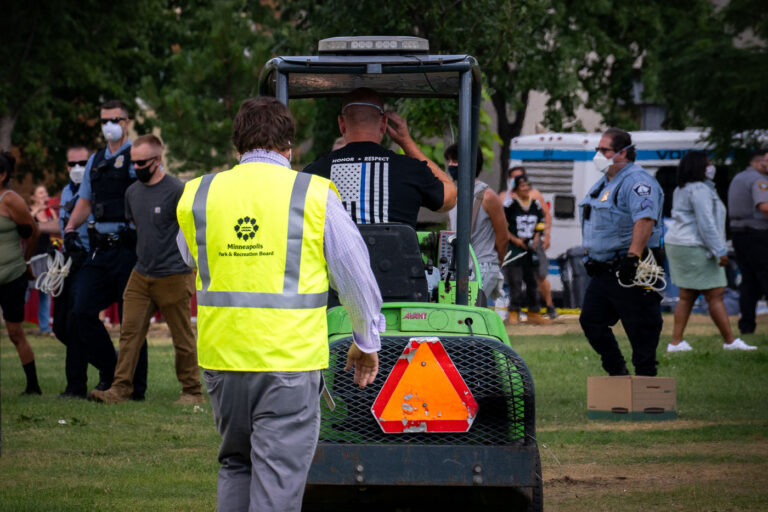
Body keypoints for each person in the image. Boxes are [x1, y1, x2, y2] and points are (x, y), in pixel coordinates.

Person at [176, 97, 383, 512]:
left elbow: (189, 255)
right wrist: (366, 340)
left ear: (237, 145)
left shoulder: (199, 193)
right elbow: (355, 275)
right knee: (279, 477)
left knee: (236, 463)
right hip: (288, 362)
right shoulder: (313, 194)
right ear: (288, 146)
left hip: (222, 361)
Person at [91, 135, 203, 404]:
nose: (137, 167)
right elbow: (140, 229)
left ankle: (192, 391)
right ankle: (120, 389)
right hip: (141, 274)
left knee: (182, 338)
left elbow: (191, 230)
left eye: (142, 162)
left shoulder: (178, 189)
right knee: (129, 335)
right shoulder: (132, 192)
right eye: (134, 162)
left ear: (158, 160)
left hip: (174, 275)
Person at [64, 100, 148, 400]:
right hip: (100, 250)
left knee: (131, 320)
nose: (107, 126)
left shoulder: (139, 157)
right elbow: (84, 201)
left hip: (129, 249)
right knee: (80, 312)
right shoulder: (96, 161)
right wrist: (71, 229)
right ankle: (113, 370)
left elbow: (151, 195)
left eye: (113, 120)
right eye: (103, 121)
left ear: (126, 122)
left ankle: (135, 388)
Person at [303, 87, 456, 228]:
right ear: (384, 124)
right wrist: (406, 142)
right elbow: (450, 197)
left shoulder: (312, 175)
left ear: (341, 124)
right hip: (398, 258)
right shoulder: (411, 169)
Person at [578, 128, 664, 376]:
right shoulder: (604, 182)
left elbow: (645, 220)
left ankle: (646, 385)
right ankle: (618, 374)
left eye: (604, 150)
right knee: (591, 320)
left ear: (623, 153)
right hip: (603, 269)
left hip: (630, 268)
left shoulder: (637, 182)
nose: (599, 154)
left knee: (641, 328)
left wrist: (632, 258)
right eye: (598, 149)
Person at [666, 151, 756, 351]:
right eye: (708, 163)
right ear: (699, 166)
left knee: (686, 294)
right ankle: (730, 341)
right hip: (695, 246)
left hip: (679, 244)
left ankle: (676, 341)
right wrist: (719, 250)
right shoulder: (700, 190)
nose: (711, 166)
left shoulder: (683, 189)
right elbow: (706, 223)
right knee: (715, 293)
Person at [444, 143, 507, 307]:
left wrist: (496, 264)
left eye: (455, 160)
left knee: (470, 314)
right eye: (449, 160)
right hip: (459, 267)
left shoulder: (487, 196)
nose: (451, 165)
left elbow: (503, 237)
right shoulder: (453, 194)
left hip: (483, 267)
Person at [0, 152, 42, 394]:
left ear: (3, 175)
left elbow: (33, 232)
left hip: (12, 275)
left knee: (15, 332)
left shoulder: (10, 200)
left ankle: (33, 386)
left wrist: (27, 261)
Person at [501, 166, 557, 319]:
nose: (525, 187)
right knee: (515, 279)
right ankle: (514, 310)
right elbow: (501, 224)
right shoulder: (507, 201)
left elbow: (544, 217)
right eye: (518, 181)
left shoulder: (535, 198)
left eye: (526, 182)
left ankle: (544, 306)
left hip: (533, 246)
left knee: (538, 276)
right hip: (516, 247)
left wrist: (544, 236)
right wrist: (515, 240)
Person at [727, 148, 768, 336]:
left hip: (739, 235)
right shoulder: (759, 180)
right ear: (759, 162)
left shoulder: (739, 177)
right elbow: (764, 206)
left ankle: (747, 326)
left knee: (748, 282)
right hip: (757, 234)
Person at [29, 184, 58, 335]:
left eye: (45, 192)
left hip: (46, 257)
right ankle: (15, 323)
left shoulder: (50, 212)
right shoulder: (29, 211)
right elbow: (26, 226)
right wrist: (38, 210)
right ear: (33, 197)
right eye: (40, 192)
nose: (43, 195)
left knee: (45, 292)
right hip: (31, 257)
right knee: (25, 291)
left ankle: (45, 328)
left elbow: (58, 228)